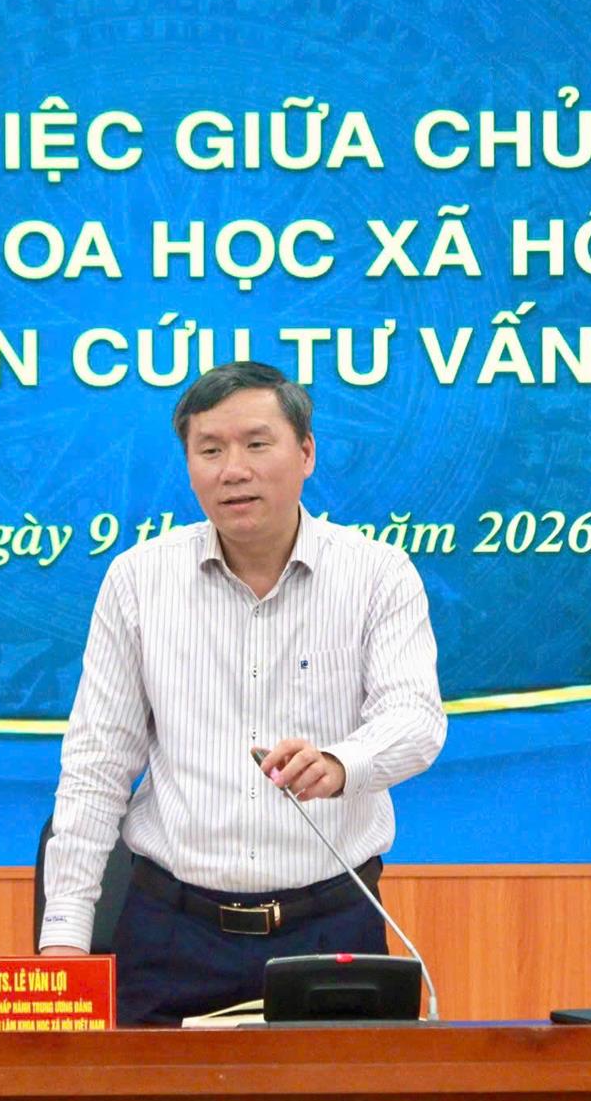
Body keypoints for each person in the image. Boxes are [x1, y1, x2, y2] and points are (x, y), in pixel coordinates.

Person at [38, 361, 445, 1024]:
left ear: (306, 452)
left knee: (344, 1097)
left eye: (257, 444)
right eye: (210, 450)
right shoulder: (138, 581)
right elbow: (97, 767)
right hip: (172, 936)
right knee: (151, 1098)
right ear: (189, 465)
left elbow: (416, 719)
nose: (234, 470)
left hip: (330, 928)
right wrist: (63, 939)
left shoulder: (377, 575)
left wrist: (341, 763)